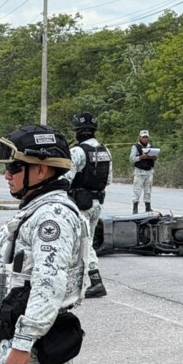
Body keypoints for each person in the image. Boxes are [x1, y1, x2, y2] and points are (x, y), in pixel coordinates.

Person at [0, 124, 87, 364]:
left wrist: (22, 343)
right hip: (21, 340)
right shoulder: (34, 210)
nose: (7, 175)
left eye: (15, 168)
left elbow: (49, 284)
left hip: (35, 345)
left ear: (42, 170)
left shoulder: (52, 217)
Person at [64, 112, 112, 299]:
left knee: (83, 242)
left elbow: (66, 179)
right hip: (97, 201)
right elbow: (108, 179)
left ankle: (95, 281)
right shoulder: (105, 151)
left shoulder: (77, 152)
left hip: (80, 203)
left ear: (77, 131)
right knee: (87, 240)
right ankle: (82, 280)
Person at [130, 129, 157, 214]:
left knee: (148, 190)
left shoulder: (151, 146)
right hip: (139, 171)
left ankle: (148, 207)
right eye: (143, 137)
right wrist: (141, 157)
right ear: (140, 137)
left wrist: (153, 157)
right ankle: (135, 208)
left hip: (149, 171)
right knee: (137, 190)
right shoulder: (136, 147)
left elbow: (155, 157)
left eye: (146, 137)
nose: (145, 139)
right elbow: (131, 159)